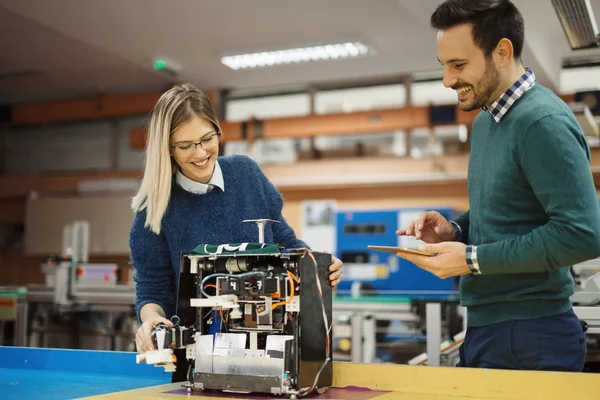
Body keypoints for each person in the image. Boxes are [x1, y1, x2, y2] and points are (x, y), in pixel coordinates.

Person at [396, 0, 600, 372]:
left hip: (533, 333)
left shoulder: (542, 121)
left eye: (458, 65)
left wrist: (472, 260)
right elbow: (511, 208)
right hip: (487, 326)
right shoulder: (486, 124)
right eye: (444, 66)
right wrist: (456, 229)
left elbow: (581, 234)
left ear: (502, 52)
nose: (447, 80)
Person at [130, 83, 343, 353]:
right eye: (185, 146)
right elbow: (152, 288)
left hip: (269, 346)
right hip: (197, 355)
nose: (200, 153)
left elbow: (284, 242)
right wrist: (152, 319)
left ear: (218, 131)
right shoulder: (155, 208)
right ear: (168, 148)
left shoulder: (246, 174)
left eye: (207, 139)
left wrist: (319, 267)